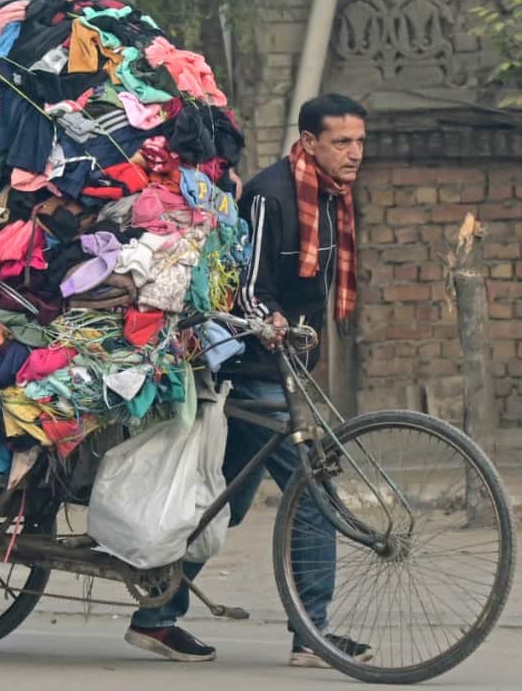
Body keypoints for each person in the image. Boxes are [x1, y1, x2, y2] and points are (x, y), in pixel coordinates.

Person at [123, 94, 373, 666]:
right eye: (342, 142)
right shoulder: (271, 194)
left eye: (359, 141)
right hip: (255, 370)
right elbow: (251, 285)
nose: (354, 153)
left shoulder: (332, 196)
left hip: (290, 369)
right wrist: (272, 318)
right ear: (309, 142)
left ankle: (156, 616)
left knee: (224, 505)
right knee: (314, 492)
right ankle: (311, 636)